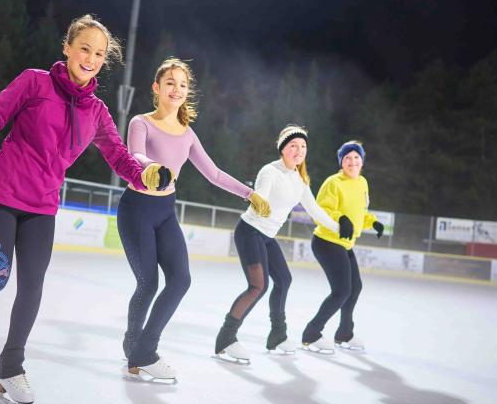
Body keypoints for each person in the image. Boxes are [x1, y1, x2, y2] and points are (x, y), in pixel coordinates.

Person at [0, 15, 171, 404]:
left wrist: (147, 176)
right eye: (84, 49)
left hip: (42, 207)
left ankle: (10, 368)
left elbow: (120, 158)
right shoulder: (34, 82)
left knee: (32, 287)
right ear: (68, 48)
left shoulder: (96, 112)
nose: (90, 58)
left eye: (98, 53)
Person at [119, 57, 270, 382]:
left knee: (181, 280)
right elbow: (135, 154)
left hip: (165, 212)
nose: (176, 89)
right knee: (147, 284)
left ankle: (141, 350)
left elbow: (213, 173)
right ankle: (138, 350)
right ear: (157, 88)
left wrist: (249, 193)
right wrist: (151, 167)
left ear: (188, 93)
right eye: (170, 82)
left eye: (183, 84)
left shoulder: (187, 134)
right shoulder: (140, 123)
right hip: (137, 210)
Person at [214, 125, 352, 364]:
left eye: (303, 146)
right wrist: (261, 201)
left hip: (266, 236)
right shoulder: (270, 171)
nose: (299, 150)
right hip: (250, 232)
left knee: (284, 280)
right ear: (282, 148)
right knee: (258, 286)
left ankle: (277, 335)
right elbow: (262, 194)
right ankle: (226, 339)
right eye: (293, 146)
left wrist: (340, 228)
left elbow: (314, 210)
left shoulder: (300, 179)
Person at [301, 140, 384, 354]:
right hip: (327, 241)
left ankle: (344, 333)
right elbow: (322, 210)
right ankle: (311, 334)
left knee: (355, 288)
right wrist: (341, 218)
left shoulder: (363, 183)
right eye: (347, 158)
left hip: (345, 243)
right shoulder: (333, 182)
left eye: (356, 157)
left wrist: (372, 221)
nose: (352, 161)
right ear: (341, 162)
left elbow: (359, 213)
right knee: (341, 291)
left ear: (362, 161)